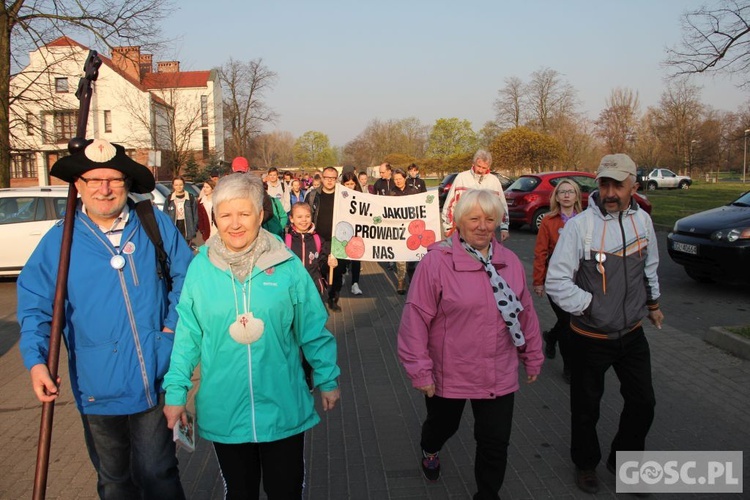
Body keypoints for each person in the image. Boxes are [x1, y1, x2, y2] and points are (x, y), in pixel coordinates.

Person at [17, 138, 193, 499]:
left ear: (126, 183)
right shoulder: (59, 240)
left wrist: (171, 327)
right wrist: (36, 362)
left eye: (113, 179)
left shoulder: (151, 223)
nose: (104, 189)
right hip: (96, 383)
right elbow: (36, 304)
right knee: (114, 481)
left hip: (154, 374)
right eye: (94, 180)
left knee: (158, 473)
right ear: (78, 185)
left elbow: (187, 277)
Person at [163, 173, 341, 499]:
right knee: (240, 492)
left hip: (282, 404)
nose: (235, 224)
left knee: (285, 491)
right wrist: (176, 392)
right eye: (226, 214)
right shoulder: (201, 269)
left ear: (260, 215)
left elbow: (312, 328)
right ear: (214, 217)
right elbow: (187, 334)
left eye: (244, 214)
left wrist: (327, 376)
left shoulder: (286, 265)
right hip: (225, 407)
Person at [398, 189, 543, 500]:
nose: (482, 226)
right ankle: (430, 447)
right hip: (450, 371)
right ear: (457, 222)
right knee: (442, 427)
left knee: (494, 441)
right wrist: (420, 371)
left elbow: (525, 311)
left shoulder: (509, 262)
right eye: (474, 218)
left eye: (490, 219)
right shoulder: (437, 262)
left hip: (498, 371)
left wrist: (532, 354)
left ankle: (487, 494)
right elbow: (415, 320)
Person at [545, 153, 663, 495]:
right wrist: (591, 307)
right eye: (603, 184)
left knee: (644, 403)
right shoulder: (580, 226)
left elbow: (650, 267)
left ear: (633, 187)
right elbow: (556, 281)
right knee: (586, 409)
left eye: (618, 185)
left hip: (632, 334)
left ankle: (624, 464)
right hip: (589, 337)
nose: (610, 192)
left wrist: (653, 304)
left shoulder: (643, 222)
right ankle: (585, 465)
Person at [532, 179, 583, 383]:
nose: (567, 195)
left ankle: (551, 337)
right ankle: (569, 366)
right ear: (557, 196)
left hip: (580, 277)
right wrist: (538, 280)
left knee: (571, 321)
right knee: (567, 321)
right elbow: (541, 252)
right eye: (562, 192)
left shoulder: (585, 219)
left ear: (577, 195)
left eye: (570, 191)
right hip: (556, 277)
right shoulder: (548, 221)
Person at [442, 149, 510, 242]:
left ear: (488, 167)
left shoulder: (494, 181)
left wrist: (504, 228)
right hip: (463, 230)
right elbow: (450, 204)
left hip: (485, 230)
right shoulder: (461, 178)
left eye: (484, 168)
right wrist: (448, 227)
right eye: (479, 166)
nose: (481, 170)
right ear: (473, 163)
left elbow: (502, 206)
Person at [305, 166, 342, 311]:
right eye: (327, 178)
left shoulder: (342, 196)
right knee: (318, 268)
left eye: (333, 178)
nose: (330, 181)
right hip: (318, 239)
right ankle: (319, 296)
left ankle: (333, 298)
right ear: (322, 177)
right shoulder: (313, 195)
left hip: (337, 239)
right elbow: (307, 213)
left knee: (337, 270)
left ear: (336, 179)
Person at [390, 168, 420, 294]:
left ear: (405, 178)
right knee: (400, 258)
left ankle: (413, 281)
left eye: (399, 179)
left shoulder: (413, 192)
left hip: (412, 229)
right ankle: (401, 281)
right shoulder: (391, 194)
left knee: (412, 258)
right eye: (395, 179)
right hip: (399, 230)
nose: (397, 181)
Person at [340, 171, 364, 295]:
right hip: (343, 230)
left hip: (357, 231)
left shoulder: (361, 196)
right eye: (347, 184)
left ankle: (355, 283)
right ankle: (343, 273)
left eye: (352, 183)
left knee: (356, 257)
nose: (350, 186)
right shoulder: (339, 196)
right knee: (343, 257)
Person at [163, 176, 198, 245]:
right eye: (176, 185)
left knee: (186, 246)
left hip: (187, 226)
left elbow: (195, 214)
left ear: (184, 185)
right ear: (173, 186)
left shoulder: (190, 198)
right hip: (174, 225)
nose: (178, 187)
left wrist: (194, 228)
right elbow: (165, 214)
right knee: (175, 245)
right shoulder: (169, 198)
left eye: (181, 185)